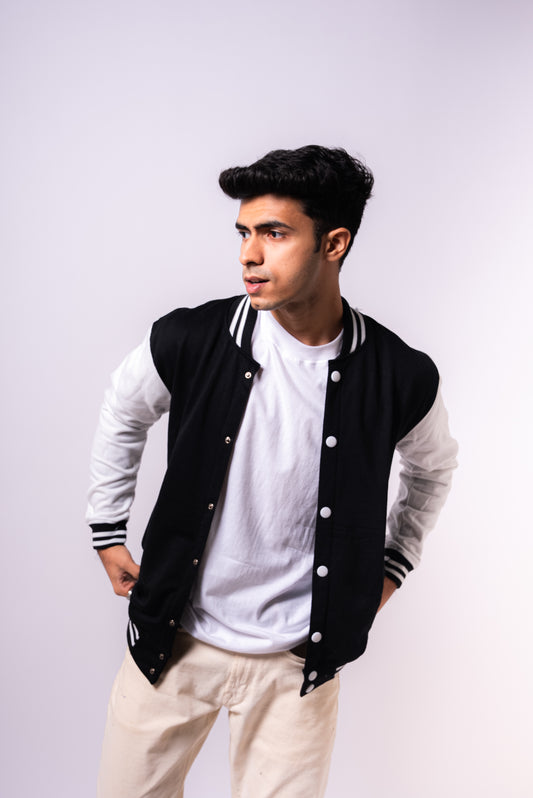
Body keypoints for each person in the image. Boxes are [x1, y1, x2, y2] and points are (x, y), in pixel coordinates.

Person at [87, 145, 458, 798]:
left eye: (274, 233)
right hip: (174, 641)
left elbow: (432, 471)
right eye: (243, 233)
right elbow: (124, 408)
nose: (249, 255)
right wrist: (106, 527)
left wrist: (390, 568)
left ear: (333, 243)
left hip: (297, 667)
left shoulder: (397, 374)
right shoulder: (193, 337)